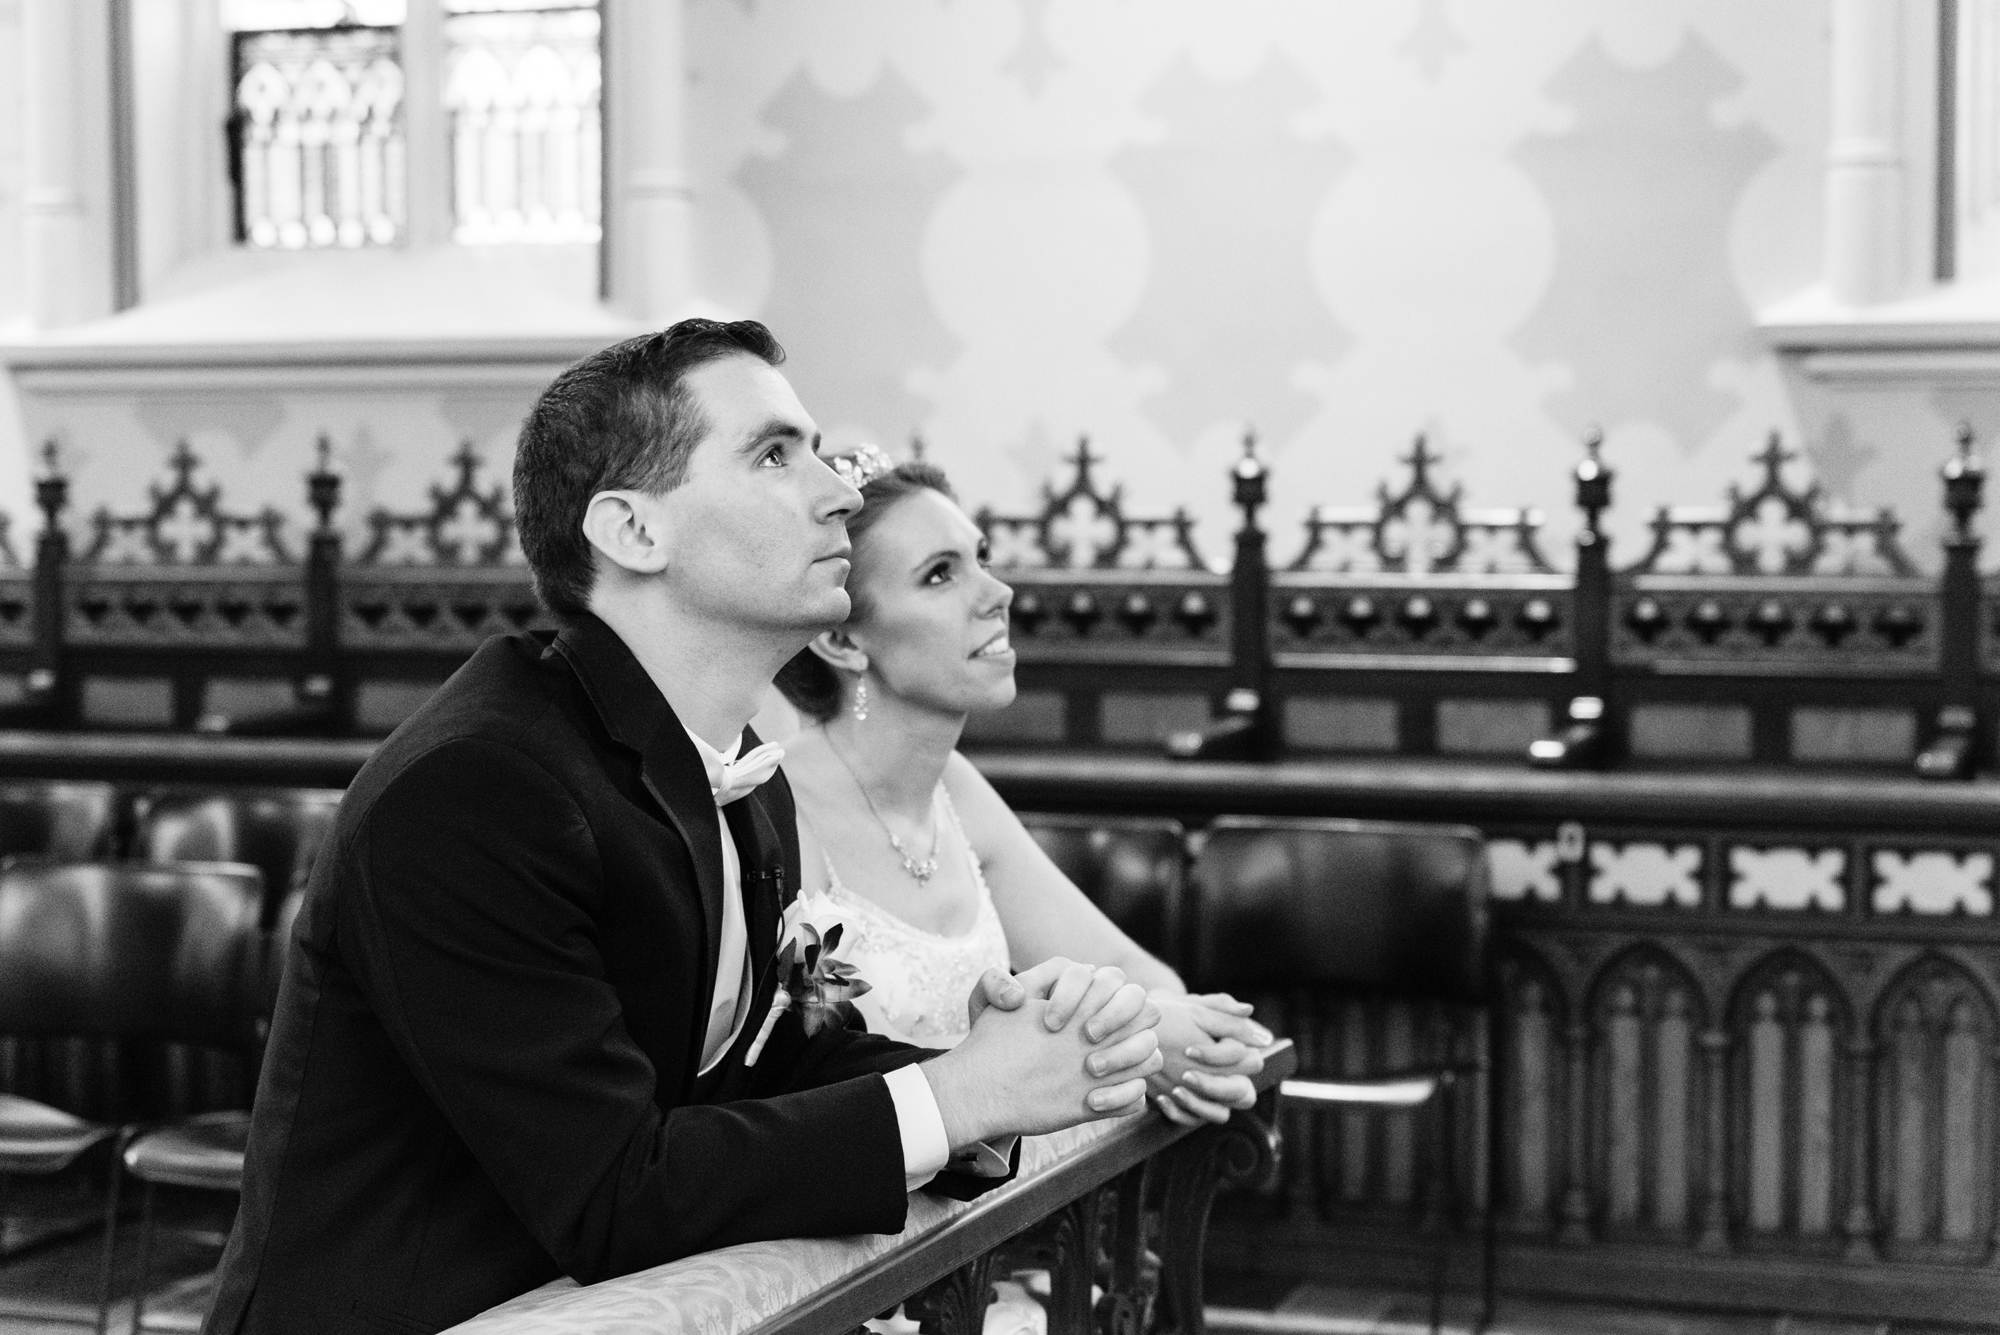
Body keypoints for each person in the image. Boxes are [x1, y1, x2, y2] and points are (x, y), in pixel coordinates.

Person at [203, 322, 1166, 1335]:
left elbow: (762, 1064)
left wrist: (1000, 1064)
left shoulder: (739, 770)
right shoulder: (476, 789)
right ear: (632, 531)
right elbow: (612, 1191)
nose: (839, 490)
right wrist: (959, 1100)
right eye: (773, 455)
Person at [769, 445, 1269, 1128]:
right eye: (941, 575)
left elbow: (1143, 975)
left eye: (983, 559)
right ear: (843, 640)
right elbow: (812, 1084)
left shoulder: (954, 787)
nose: (998, 594)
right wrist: (1126, 1037)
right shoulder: (778, 806)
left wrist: (1140, 1025)